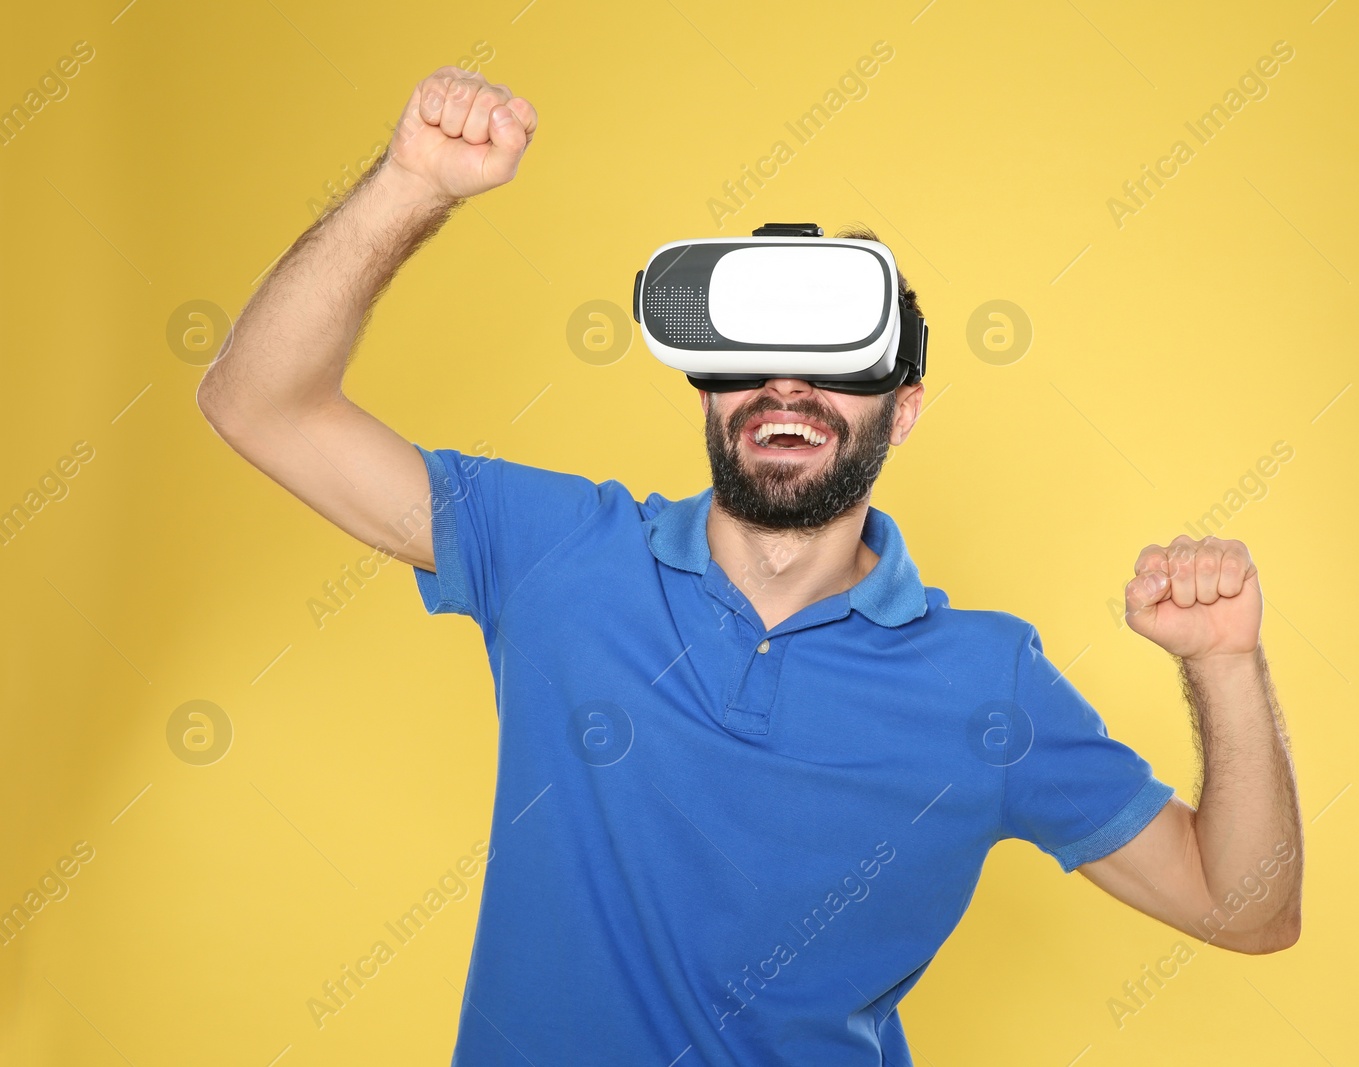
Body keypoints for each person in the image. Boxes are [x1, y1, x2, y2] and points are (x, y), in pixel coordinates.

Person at [198, 65, 1303, 1066]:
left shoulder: (989, 680)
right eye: (749, 356)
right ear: (708, 386)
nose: (786, 384)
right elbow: (258, 402)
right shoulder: (556, 551)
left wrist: (1224, 664)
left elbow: (1244, 907)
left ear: (902, 408)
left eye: (833, 359)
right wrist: (410, 185)